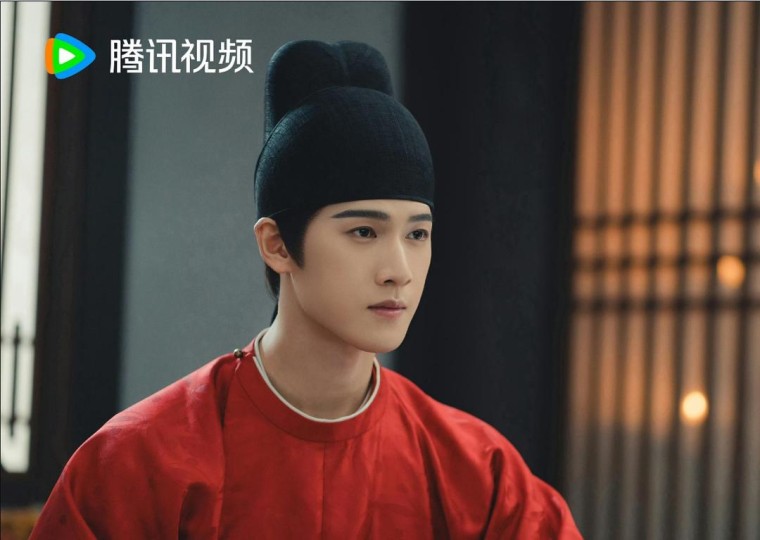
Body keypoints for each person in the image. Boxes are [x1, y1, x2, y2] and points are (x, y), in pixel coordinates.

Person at [30, 40, 581, 539]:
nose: (399, 270)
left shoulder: (480, 474)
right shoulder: (138, 461)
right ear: (277, 245)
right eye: (363, 232)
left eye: (417, 234)